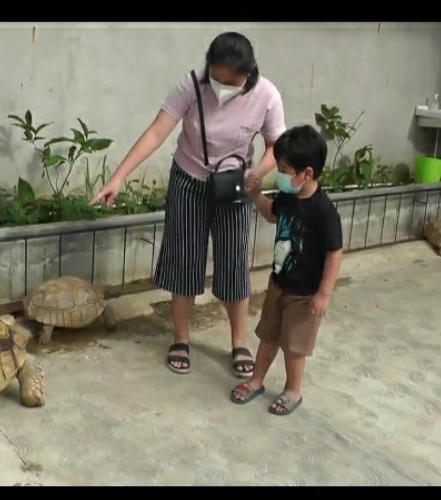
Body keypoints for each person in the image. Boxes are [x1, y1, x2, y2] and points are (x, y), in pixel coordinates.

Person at [89, 32, 287, 377]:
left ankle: (239, 343)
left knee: (234, 262)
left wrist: (257, 174)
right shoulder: (192, 85)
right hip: (189, 180)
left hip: (236, 184)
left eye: (231, 81)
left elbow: (276, 146)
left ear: (248, 73)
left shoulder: (267, 95)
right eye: (216, 77)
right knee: (185, 259)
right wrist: (118, 176)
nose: (222, 86)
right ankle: (181, 339)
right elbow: (156, 132)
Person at [230, 124, 343, 416]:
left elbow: (334, 254)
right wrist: (256, 197)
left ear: (306, 173)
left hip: (305, 295)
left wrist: (324, 294)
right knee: (268, 336)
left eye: (283, 168)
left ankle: (293, 389)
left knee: (294, 348)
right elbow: (272, 214)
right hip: (279, 283)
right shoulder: (288, 196)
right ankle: (257, 380)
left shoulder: (324, 212)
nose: (279, 173)